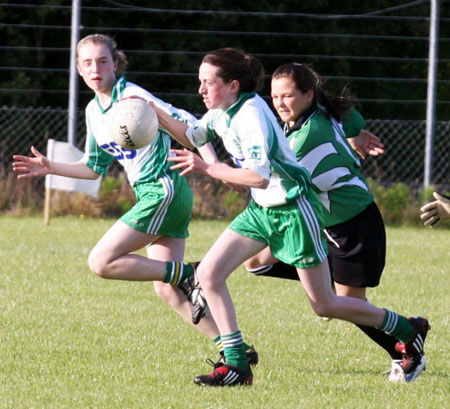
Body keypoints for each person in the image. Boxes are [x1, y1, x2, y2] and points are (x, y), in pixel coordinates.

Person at [153, 48, 430, 387]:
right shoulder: (222, 112)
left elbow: (259, 177)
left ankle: (406, 328)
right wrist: (151, 111)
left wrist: (209, 167)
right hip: (262, 211)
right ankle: (237, 364)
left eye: (207, 82)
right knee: (209, 275)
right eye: (200, 82)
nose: (200, 90)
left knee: (326, 305)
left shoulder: (252, 116)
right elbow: (193, 136)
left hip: (294, 211)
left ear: (233, 85)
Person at [11, 33, 244, 365]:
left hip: (163, 189)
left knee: (101, 261)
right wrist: (51, 168)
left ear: (115, 63)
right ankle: (233, 350)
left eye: (103, 61)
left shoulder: (132, 96)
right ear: (78, 68)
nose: (96, 68)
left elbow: (192, 125)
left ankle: (186, 273)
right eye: (87, 63)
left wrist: (215, 166)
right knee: (165, 289)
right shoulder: (95, 110)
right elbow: (93, 168)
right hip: (158, 195)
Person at [242, 62, 409, 382]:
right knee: (256, 262)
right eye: (274, 96)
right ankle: (325, 285)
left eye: (287, 95)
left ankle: (405, 348)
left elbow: (279, 187)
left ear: (308, 94)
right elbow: (352, 118)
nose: (279, 103)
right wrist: (357, 133)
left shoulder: (306, 139)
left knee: (346, 306)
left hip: (354, 227)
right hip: (329, 225)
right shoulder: (319, 113)